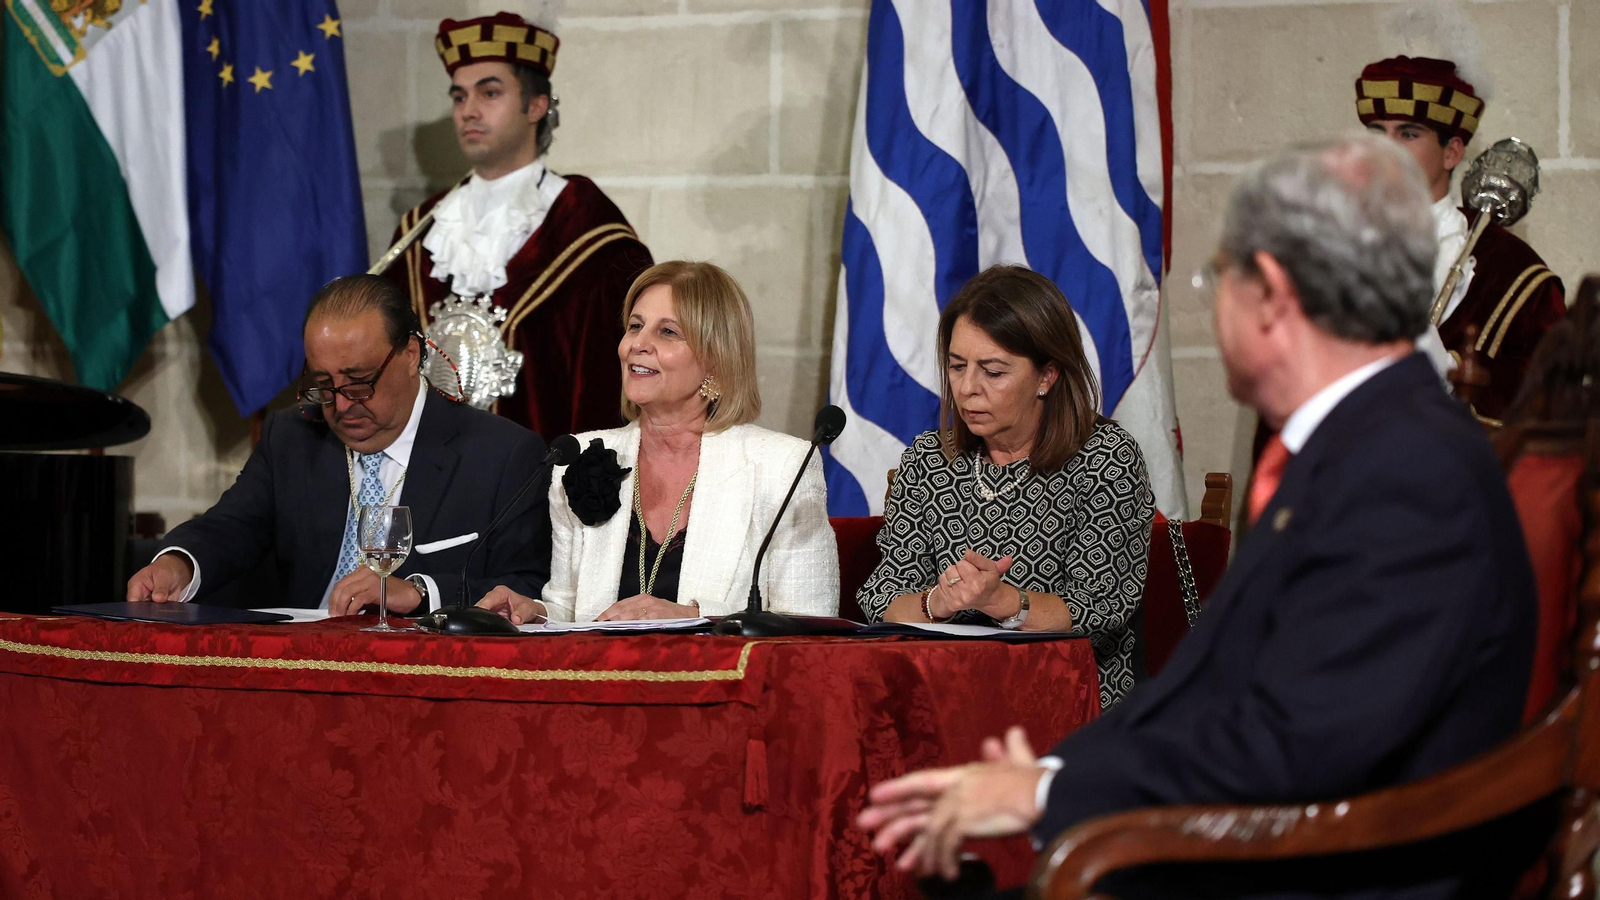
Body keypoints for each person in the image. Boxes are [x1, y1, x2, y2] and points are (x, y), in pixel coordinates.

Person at [857, 136, 1537, 899]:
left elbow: (1297, 741)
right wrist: (1051, 772)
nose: (1216, 306)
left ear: (1272, 294)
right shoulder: (1363, 445)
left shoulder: (1405, 473)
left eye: (1221, 279)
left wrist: (1042, 796)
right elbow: (1215, 690)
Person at [127, 275, 550, 615]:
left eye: (360, 381)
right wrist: (178, 563)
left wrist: (421, 592)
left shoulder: (501, 455)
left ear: (410, 354)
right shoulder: (293, 437)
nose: (343, 404)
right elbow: (231, 526)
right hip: (302, 665)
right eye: (324, 385)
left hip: (424, 676)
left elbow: (528, 585)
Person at [476, 261, 839, 623]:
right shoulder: (579, 457)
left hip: (719, 679)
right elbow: (570, 609)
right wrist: (531, 611)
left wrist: (694, 616)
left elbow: (810, 622)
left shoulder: (783, 466)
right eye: (635, 326)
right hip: (598, 677)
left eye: (667, 332)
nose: (638, 344)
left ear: (716, 359)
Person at [860, 266, 1154, 710]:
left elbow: (1102, 609)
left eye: (993, 372)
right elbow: (882, 596)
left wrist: (1003, 602)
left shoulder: (1105, 458)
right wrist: (937, 601)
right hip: (944, 698)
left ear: (1046, 376)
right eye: (957, 367)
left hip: (1067, 702)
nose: (967, 389)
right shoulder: (929, 459)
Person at [383, 12, 654, 437]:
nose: (468, 111)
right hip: (424, 475)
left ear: (536, 106)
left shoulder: (590, 230)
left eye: (489, 93)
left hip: (540, 482)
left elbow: (609, 389)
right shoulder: (421, 230)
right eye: (458, 97)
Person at [1357, 54, 1565, 423]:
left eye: (1407, 134)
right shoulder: (1330, 246)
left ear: (1451, 152)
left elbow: (1543, 413)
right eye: (1377, 133)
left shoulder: (1514, 275)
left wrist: (1439, 365)